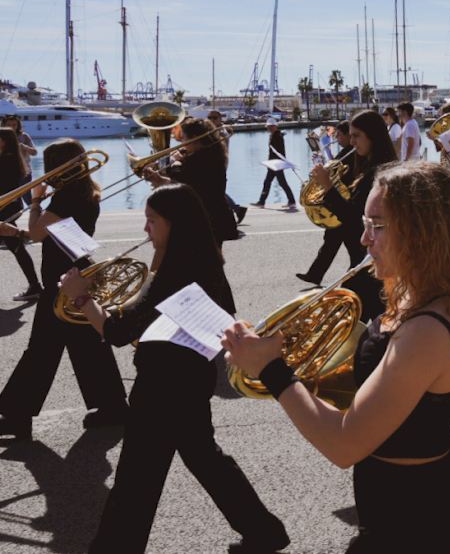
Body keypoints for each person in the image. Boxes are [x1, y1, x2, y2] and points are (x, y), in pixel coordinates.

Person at [223, 161, 450, 553]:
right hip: (398, 497)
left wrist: (271, 369)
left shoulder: (427, 330)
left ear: (422, 233)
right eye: (365, 224)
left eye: (377, 226)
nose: (364, 239)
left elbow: (344, 445)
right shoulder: (417, 295)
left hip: (418, 514)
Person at [57, 184, 289, 554]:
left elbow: (116, 332)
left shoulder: (173, 272)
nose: (145, 229)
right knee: (204, 458)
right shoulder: (204, 261)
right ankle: (264, 531)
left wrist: (81, 296)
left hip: (162, 384)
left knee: (136, 478)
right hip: (190, 376)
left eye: (152, 221)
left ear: (174, 224)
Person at [0, 139, 128, 440]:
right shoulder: (82, 192)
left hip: (64, 280)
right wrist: (14, 231)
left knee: (41, 351)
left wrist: (34, 201)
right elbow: (47, 234)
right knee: (88, 346)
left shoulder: (66, 197)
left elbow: (37, 232)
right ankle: (113, 407)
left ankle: (17, 416)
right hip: (75, 273)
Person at [309, 110, 398, 320]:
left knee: (352, 321)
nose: (352, 142)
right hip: (363, 260)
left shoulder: (379, 172)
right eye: (350, 136)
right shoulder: (366, 166)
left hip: (370, 261)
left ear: (372, 136)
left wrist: (328, 186)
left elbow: (353, 216)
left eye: (356, 136)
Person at [144, 117, 239, 247]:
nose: (182, 142)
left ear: (194, 138)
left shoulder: (202, 158)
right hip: (207, 217)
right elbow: (184, 183)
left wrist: (174, 162)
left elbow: (182, 182)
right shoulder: (210, 153)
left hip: (207, 219)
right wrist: (159, 179)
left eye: (184, 137)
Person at [297, 121, 359, 285]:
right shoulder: (346, 152)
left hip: (343, 202)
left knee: (347, 244)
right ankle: (315, 274)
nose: (337, 138)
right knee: (333, 241)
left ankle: (318, 274)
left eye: (340, 135)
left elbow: (339, 175)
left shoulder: (352, 153)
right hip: (339, 202)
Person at [0, 128, 41, 299]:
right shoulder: (12, 158)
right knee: (17, 247)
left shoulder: (6, 160)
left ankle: (35, 286)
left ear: (4, 141)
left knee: (17, 247)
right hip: (9, 206)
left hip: (5, 207)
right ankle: (35, 285)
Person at [252, 119, 296, 209]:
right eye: (269, 127)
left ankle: (292, 201)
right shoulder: (274, 135)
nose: (270, 128)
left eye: (271, 126)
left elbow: (279, 151)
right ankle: (261, 202)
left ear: (275, 126)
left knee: (281, 183)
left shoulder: (277, 136)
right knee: (267, 182)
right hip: (273, 164)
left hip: (277, 164)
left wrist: (279, 162)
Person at [4, 115, 36, 206]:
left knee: (27, 197)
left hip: (23, 172)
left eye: (14, 125)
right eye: (9, 125)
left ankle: (36, 212)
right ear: (4, 125)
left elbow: (34, 152)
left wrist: (24, 147)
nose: (11, 127)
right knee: (9, 199)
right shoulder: (1, 137)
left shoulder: (24, 136)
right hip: (6, 172)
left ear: (18, 125)